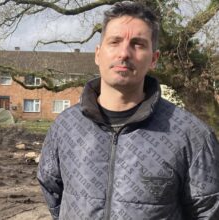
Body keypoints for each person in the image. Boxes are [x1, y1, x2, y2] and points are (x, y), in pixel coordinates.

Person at [37, 1, 219, 219]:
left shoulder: (192, 135)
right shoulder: (65, 127)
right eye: (114, 41)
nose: (124, 53)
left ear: (154, 59)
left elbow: (208, 211)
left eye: (138, 44)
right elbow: (53, 192)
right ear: (97, 54)